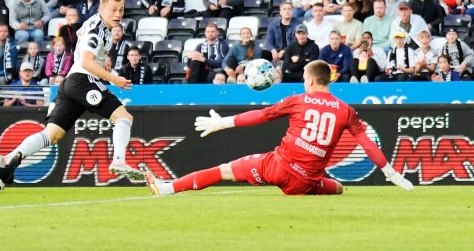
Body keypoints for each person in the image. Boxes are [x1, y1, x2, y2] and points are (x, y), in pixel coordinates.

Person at [146, 60, 413, 196]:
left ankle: (167, 188)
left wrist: (222, 123)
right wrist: (391, 173)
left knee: (222, 171)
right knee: (339, 188)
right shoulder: (346, 111)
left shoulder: (298, 100)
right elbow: (367, 144)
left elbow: (261, 116)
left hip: (277, 168)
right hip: (306, 183)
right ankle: (329, 186)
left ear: (309, 81)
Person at [0, 0, 144, 184]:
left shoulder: (94, 23)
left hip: (69, 84)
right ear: (101, 9)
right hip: (84, 80)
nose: (118, 14)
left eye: (121, 10)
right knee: (124, 118)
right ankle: (119, 161)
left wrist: (100, 57)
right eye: (113, 10)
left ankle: (6, 159)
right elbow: (87, 62)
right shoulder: (97, 30)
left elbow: (81, 33)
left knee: (52, 134)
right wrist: (114, 80)